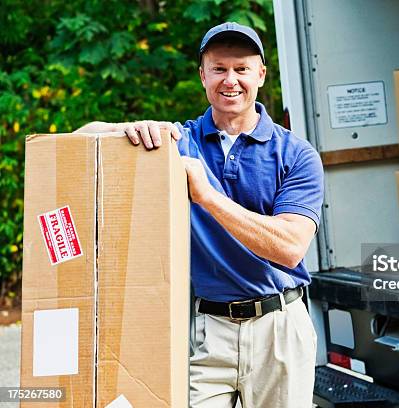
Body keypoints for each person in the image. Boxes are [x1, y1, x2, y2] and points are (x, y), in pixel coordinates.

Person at [75, 22, 324, 408]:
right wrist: (131, 129)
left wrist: (206, 195)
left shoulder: (295, 154)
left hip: (279, 327)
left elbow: (290, 247)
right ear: (202, 75)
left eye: (241, 69)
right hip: (206, 330)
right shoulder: (178, 140)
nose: (231, 80)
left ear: (260, 74)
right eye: (219, 68)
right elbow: (79, 139)